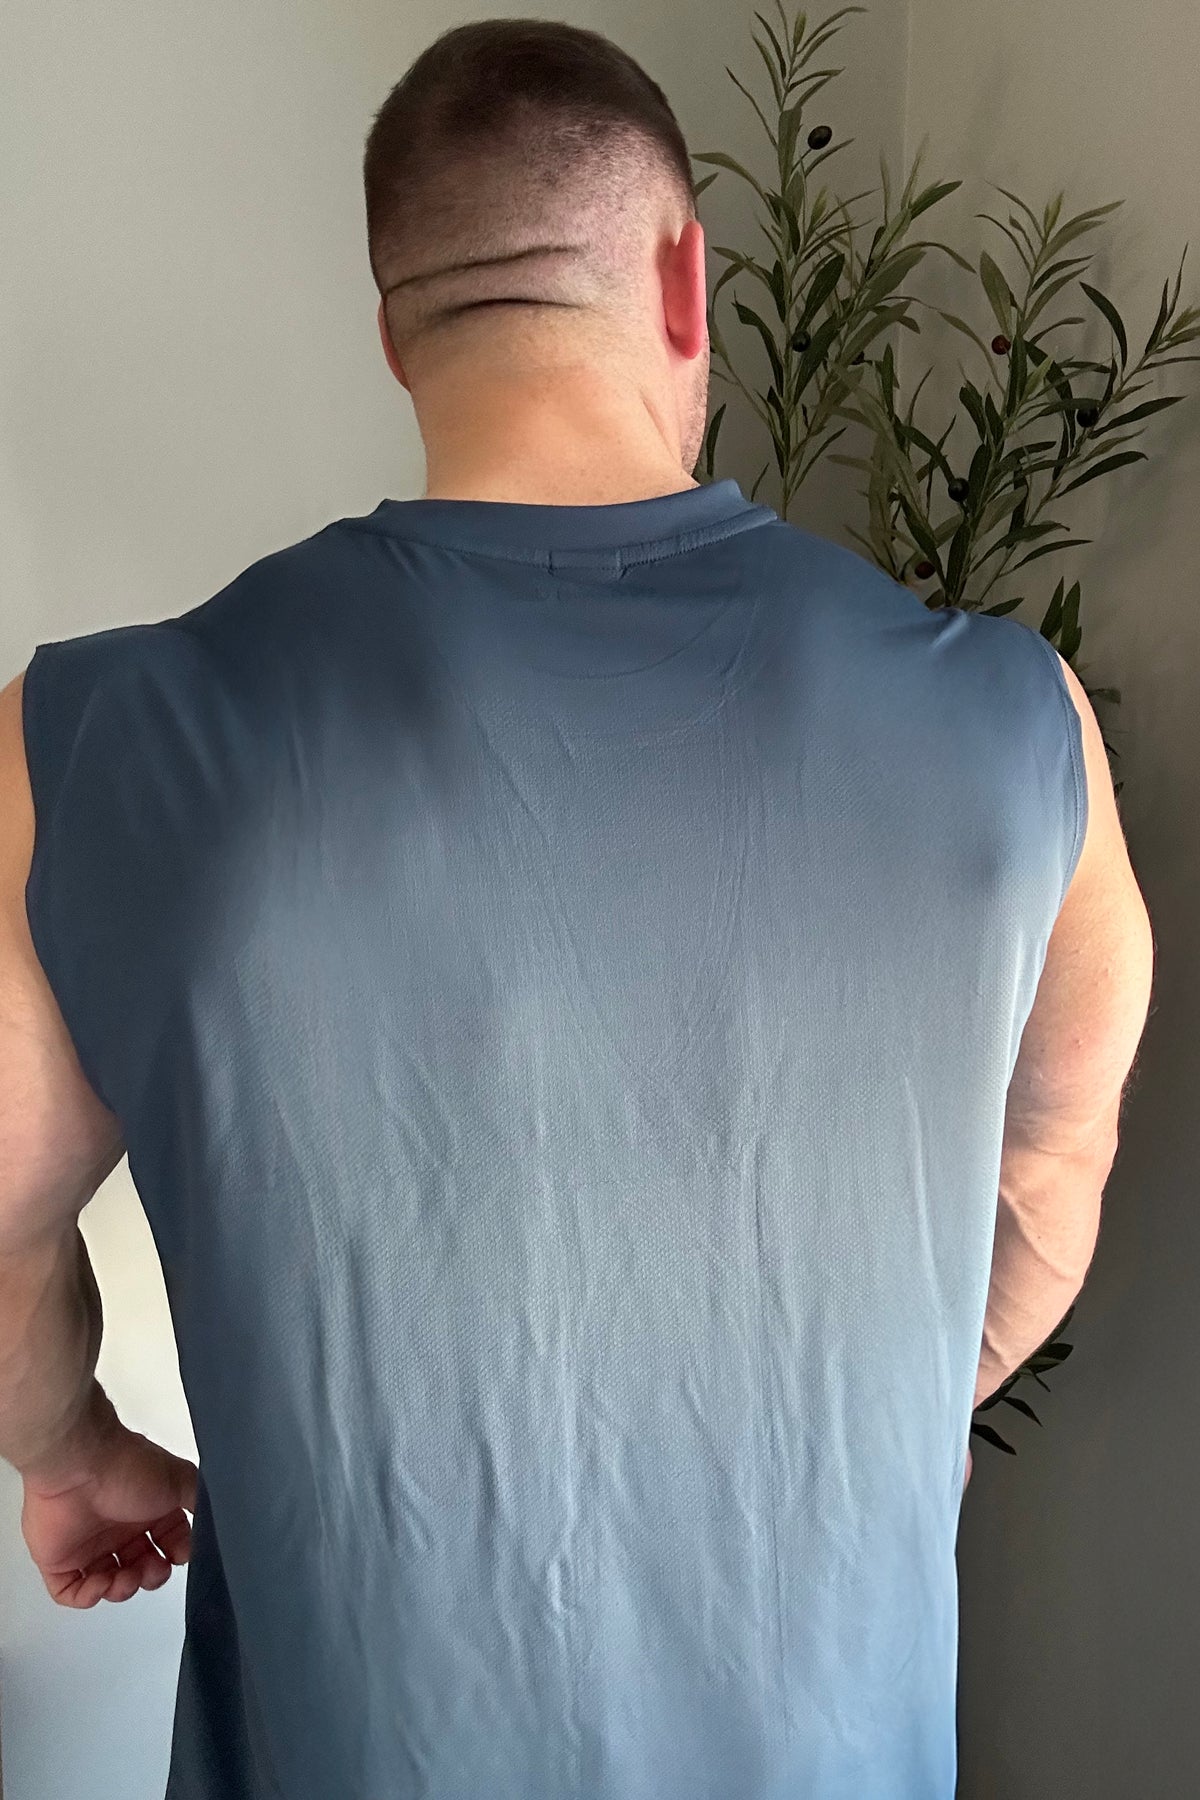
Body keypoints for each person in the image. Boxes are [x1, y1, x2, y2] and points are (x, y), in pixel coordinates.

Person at [0, 18, 1153, 1800]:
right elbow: (1050, 1173)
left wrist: (73, 1449)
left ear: (395, 330)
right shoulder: (1020, 722)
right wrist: (886, 1433)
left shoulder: (88, 739)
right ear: (689, 280)